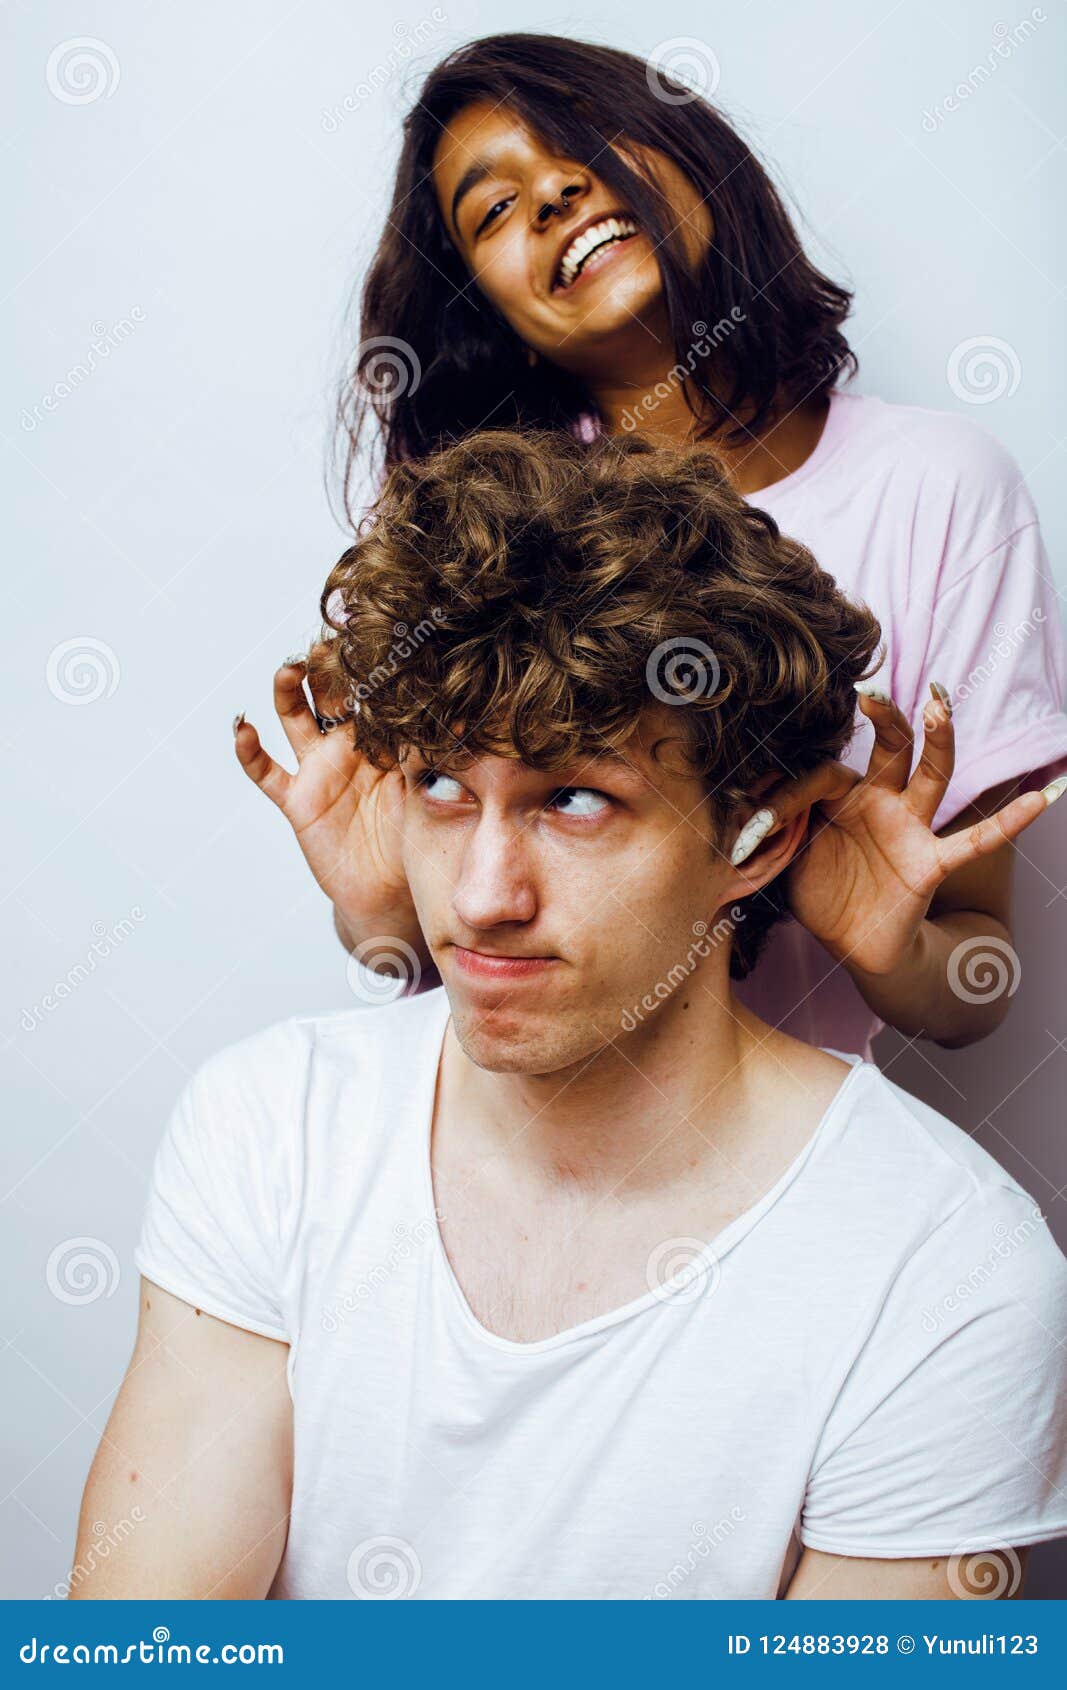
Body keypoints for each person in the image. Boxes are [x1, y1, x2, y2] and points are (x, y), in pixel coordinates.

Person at [75, 430, 1067, 1600]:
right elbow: (144, 1655)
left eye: (578, 800)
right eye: (443, 787)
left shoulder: (949, 1276)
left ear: (758, 835)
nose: (485, 898)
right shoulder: (266, 1129)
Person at [235, 32, 1067, 1059]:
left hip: (774, 1162)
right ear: (488, 309)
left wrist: (879, 935)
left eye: (581, 143)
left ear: (688, 151)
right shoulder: (477, 516)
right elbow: (420, 951)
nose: (546, 196)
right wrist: (375, 911)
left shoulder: (943, 489)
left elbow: (970, 990)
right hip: (495, 1139)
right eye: (492, 209)